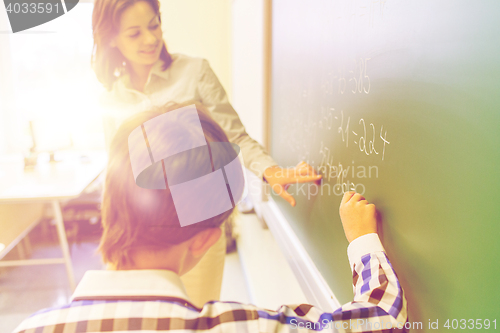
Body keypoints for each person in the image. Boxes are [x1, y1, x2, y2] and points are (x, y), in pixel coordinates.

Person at [13, 106, 408, 333]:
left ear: (108, 207)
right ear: (205, 240)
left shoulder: (27, 328)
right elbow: (382, 319)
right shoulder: (234, 326)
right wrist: (361, 240)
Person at [91, 0, 322, 307]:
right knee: (139, 318)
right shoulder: (110, 97)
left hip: (197, 229)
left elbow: (235, 136)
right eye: (134, 33)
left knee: (195, 317)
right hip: (139, 234)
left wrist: (271, 171)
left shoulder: (194, 72)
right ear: (111, 38)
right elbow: (117, 172)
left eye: (154, 25)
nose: (150, 39)